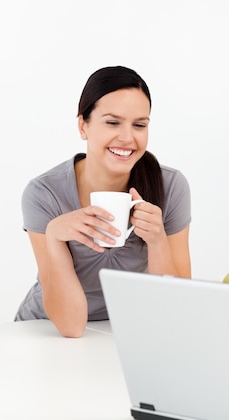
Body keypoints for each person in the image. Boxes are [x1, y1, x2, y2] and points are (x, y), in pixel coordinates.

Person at [15, 66, 192, 338]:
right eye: (112, 122)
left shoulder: (170, 186)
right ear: (83, 126)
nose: (127, 137)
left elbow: (178, 308)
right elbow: (71, 327)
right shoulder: (44, 193)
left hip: (122, 331)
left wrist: (157, 241)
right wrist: (55, 236)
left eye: (139, 125)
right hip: (45, 331)